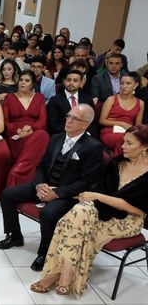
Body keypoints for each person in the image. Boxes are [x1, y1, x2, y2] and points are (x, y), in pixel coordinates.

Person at [31, 125, 148, 295]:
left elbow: (140, 211)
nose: (123, 146)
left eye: (129, 144)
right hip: (104, 211)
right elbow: (100, 189)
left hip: (128, 220)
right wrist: (90, 197)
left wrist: (98, 197)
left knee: (76, 227)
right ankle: (64, 275)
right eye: (123, 142)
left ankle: (56, 274)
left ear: (144, 147)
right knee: (77, 214)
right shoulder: (118, 163)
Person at [0, 104, 103, 271]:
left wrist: (57, 193)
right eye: (68, 116)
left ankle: (44, 253)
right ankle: (15, 235)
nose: (68, 120)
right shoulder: (56, 138)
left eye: (75, 118)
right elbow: (41, 166)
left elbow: (86, 182)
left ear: (85, 124)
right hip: (45, 185)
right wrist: (39, 184)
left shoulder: (93, 147)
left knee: (48, 213)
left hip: (68, 194)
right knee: (7, 195)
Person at [3, 70, 50, 186]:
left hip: (35, 133)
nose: (23, 83)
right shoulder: (9, 98)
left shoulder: (39, 98)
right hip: (16, 135)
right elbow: (5, 120)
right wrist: (18, 130)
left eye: (27, 81)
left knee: (42, 135)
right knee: (39, 139)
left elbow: (42, 120)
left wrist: (31, 130)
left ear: (32, 84)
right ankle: (21, 178)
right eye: (21, 80)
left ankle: (18, 172)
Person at [99, 72, 144, 156]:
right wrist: (122, 123)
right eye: (122, 83)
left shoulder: (140, 103)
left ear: (136, 85)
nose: (124, 86)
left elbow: (138, 126)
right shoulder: (111, 99)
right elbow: (102, 120)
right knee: (125, 139)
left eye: (128, 83)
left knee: (137, 140)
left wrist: (130, 129)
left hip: (128, 132)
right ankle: (117, 164)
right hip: (110, 131)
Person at [46, 70, 95, 135]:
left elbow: (92, 121)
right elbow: (53, 124)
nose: (71, 83)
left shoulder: (87, 99)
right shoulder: (54, 100)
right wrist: (71, 134)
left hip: (84, 136)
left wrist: (85, 133)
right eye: (68, 80)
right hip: (63, 135)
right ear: (64, 82)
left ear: (81, 83)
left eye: (75, 81)